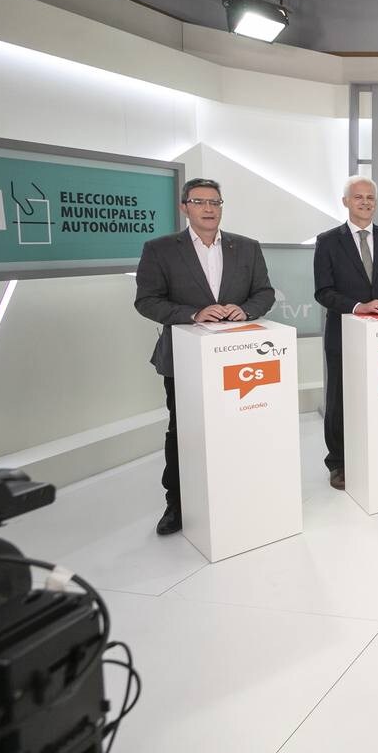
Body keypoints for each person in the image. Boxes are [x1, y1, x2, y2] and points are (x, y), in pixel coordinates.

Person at [134, 178, 274, 535]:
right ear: (185, 207)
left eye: (215, 202)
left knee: (239, 428)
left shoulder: (247, 247)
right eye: (199, 202)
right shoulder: (160, 249)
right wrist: (193, 314)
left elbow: (265, 293)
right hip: (185, 361)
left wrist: (245, 309)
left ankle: (238, 496)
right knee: (184, 432)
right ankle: (177, 505)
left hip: (239, 359)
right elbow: (147, 301)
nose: (209, 209)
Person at [313, 176, 378, 490]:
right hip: (343, 333)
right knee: (340, 399)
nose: (366, 202)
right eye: (359, 197)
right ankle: (338, 463)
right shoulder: (328, 241)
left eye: (371, 197)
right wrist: (361, 306)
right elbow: (323, 292)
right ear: (346, 202)